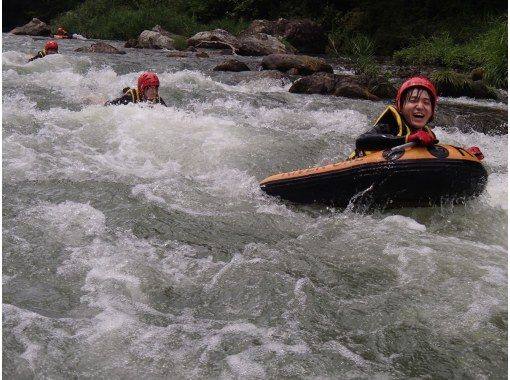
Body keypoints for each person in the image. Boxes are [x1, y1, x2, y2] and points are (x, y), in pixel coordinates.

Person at [348, 76, 483, 160]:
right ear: (400, 106)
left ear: (431, 111)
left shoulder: (428, 134)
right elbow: (361, 142)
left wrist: (465, 155)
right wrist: (407, 139)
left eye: (426, 102)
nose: (420, 106)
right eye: (413, 100)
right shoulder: (389, 124)